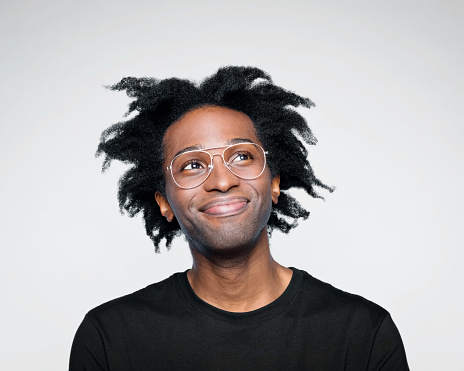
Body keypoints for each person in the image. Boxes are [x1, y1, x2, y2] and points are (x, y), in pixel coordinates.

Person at [69, 66, 409, 370]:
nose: (222, 181)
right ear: (164, 202)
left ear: (274, 182)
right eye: (192, 165)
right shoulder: (109, 338)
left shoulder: (363, 333)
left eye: (242, 156)